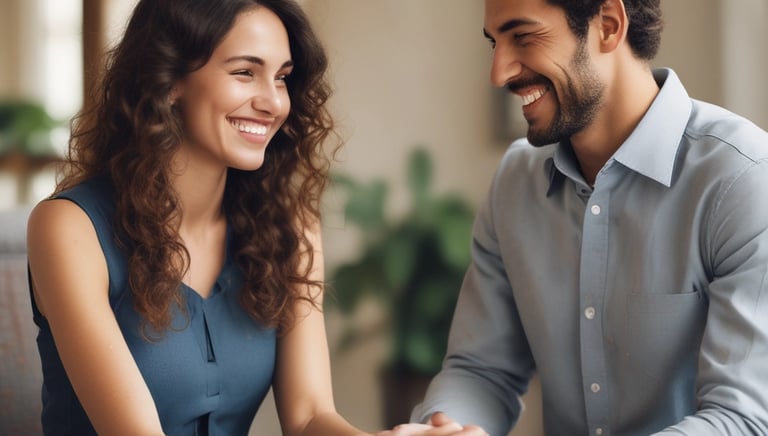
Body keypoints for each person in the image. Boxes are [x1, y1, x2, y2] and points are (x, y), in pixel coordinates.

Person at [25, 1, 482, 435]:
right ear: (167, 79)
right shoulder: (69, 228)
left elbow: (309, 418)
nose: (273, 102)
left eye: (281, 78)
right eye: (245, 72)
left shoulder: (290, 228)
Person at [410, 0, 768, 435]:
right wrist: (444, 428)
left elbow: (744, 419)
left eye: (522, 36)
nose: (498, 73)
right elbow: (482, 370)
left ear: (609, 25)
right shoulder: (515, 183)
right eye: (494, 43)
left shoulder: (742, 180)